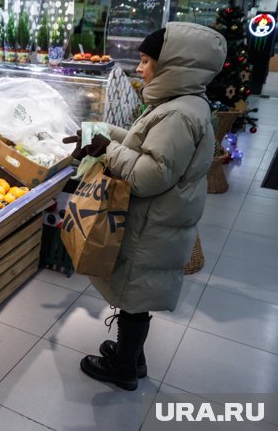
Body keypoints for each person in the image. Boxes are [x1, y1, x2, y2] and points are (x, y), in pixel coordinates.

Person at [63, 22, 226, 391]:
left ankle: (124, 367)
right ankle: (131, 356)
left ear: (173, 67)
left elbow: (151, 175)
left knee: (135, 294)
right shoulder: (179, 105)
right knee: (135, 294)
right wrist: (103, 132)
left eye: (146, 60)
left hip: (152, 222)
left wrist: (108, 149)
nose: (140, 68)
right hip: (159, 219)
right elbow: (144, 144)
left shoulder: (179, 115)